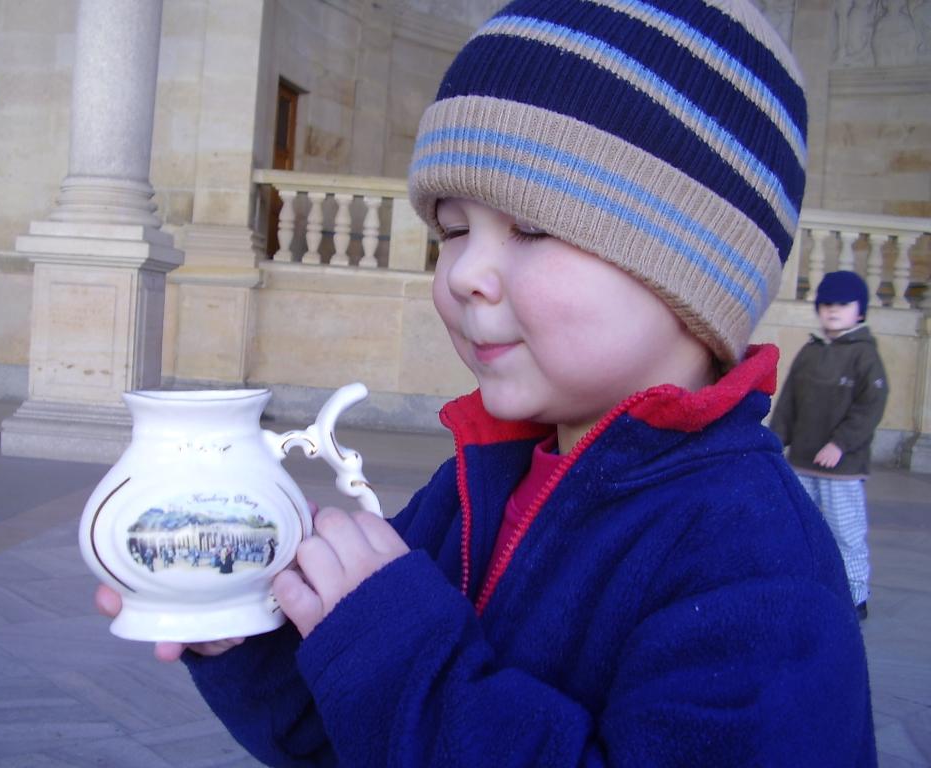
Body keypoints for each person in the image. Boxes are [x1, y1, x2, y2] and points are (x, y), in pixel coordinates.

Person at [96, 1, 877, 764]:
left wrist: (391, 651)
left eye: (530, 228)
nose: (464, 273)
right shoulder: (474, 486)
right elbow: (350, 733)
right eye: (454, 229)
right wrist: (256, 631)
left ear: (694, 276)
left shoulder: (755, 559)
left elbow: (400, 688)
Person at [771, 270, 888, 620]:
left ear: (860, 311)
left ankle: (855, 595)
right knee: (800, 527)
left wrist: (840, 444)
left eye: (843, 304)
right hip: (802, 462)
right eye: (826, 304)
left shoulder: (865, 355)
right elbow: (788, 403)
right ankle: (806, 587)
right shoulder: (809, 352)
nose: (833, 310)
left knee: (846, 533)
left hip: (842, 469)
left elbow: (870, 408)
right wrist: (773, 443)